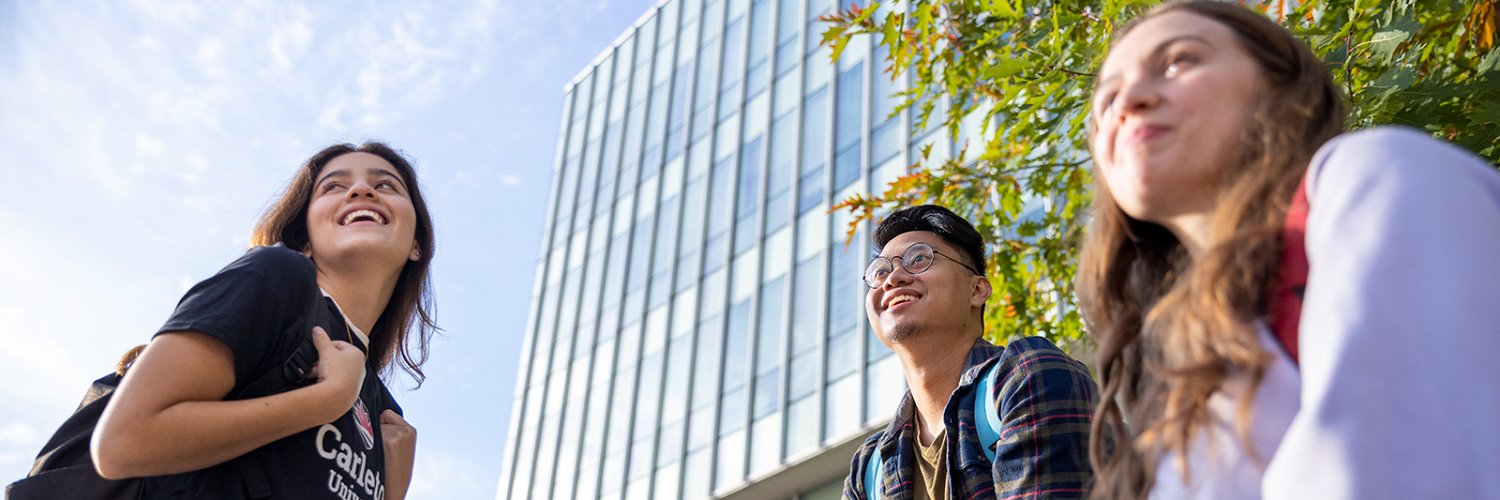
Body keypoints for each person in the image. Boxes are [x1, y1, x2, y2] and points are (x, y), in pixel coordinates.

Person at [1079, 1, 1500, 498]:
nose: (1130, 99)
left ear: (1276, 87)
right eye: (1106, 101)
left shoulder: (1377, 175)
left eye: (1179, 61)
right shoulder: (1182, 369)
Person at [89, 142, 436, 499]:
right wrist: (327, 400)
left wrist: (391, 494)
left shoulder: (383, 412)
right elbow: (122, 443)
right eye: (333, 186)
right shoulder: (278, 277)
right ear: (305, 240)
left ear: (416, 245)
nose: (361, 190)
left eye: (385, 186)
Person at [844, 205, 1098, 500]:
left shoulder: (1027, 377)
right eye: (880, 272)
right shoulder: (869, 470)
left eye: (919, 259)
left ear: (977, 290)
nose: (893, 279)